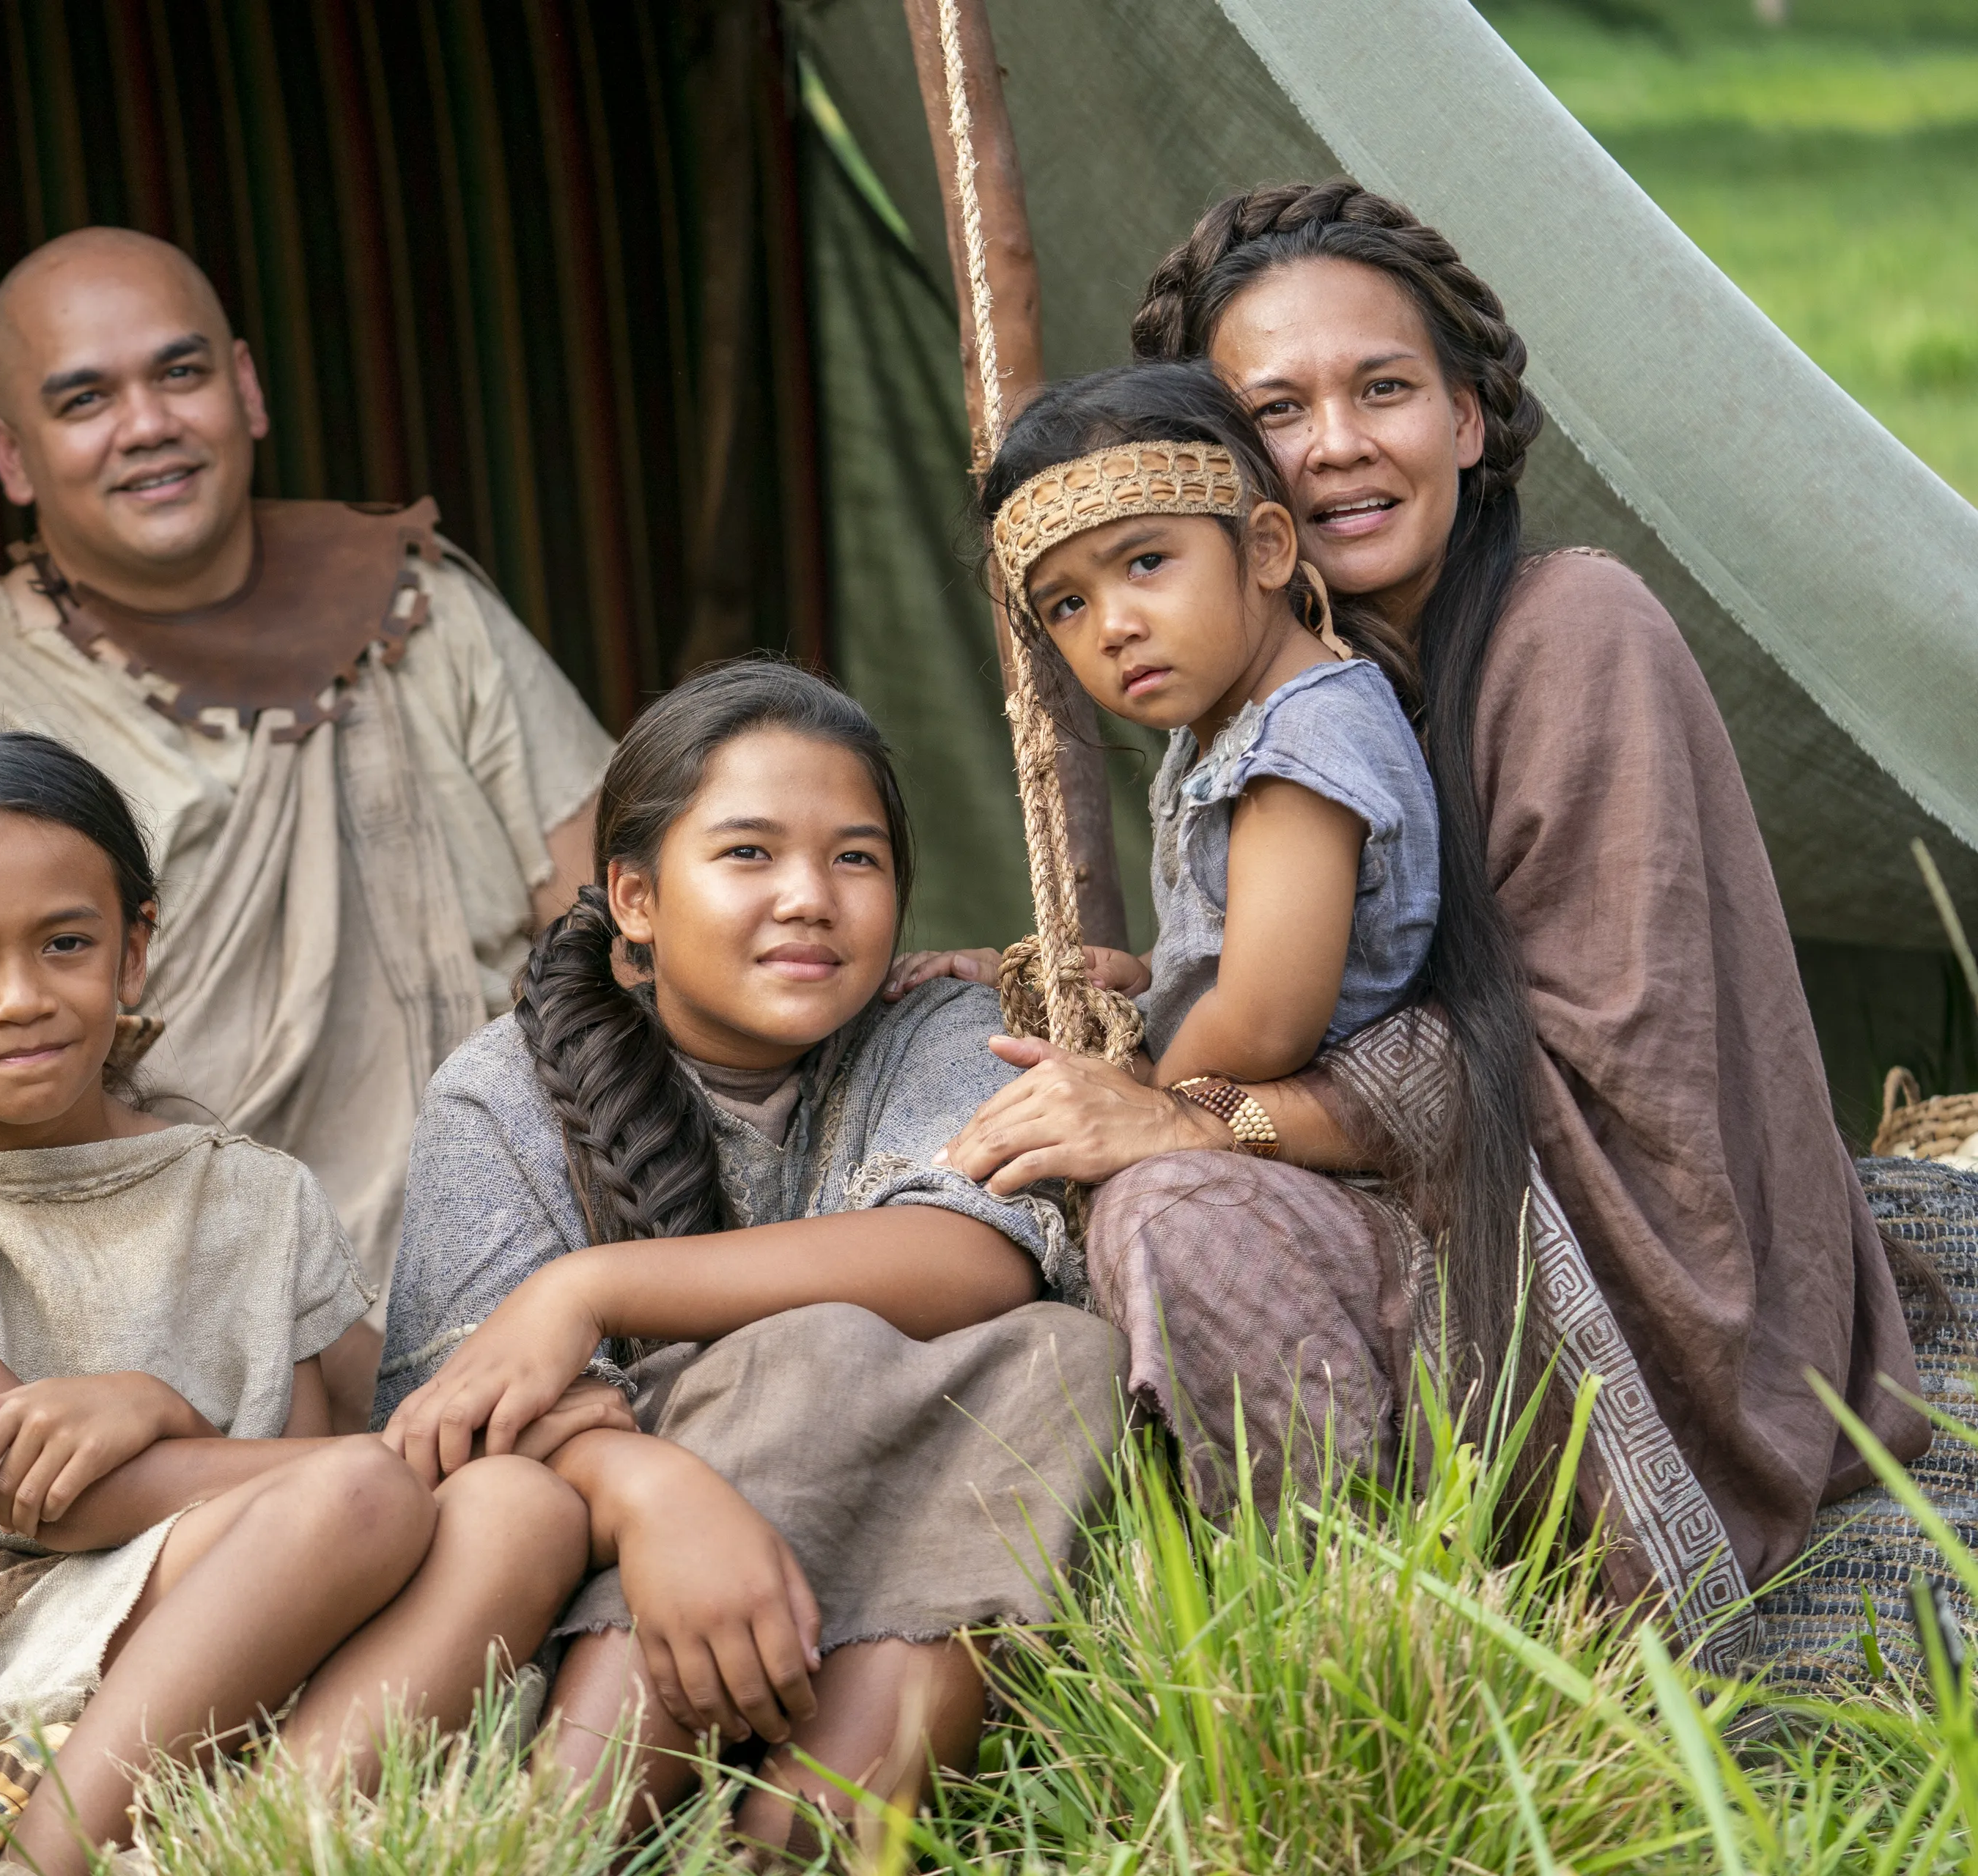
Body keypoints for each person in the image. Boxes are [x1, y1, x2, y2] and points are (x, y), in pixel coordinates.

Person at [923, 182, 1925, 1673]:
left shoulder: (1574, 630)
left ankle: (1355, 1666)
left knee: (1175, 1212)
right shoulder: (1267, 688)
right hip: (1400, 1198)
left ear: (1465, 419)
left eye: (1383, 389)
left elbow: (1594, 1070)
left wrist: (1195, 1113)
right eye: (1279, 409)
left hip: (1591, 1273)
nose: (1336, 442)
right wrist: (1124, 1002)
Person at [0, 730, 609, 1870]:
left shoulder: (252, 1197)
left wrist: (532, 1424)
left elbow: (363, 1437)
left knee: (525, 1510)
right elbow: (34, 1496)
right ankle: (42, 1860)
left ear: (133, 953)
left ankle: (249, 1844)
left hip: (264, 1607)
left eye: (66, 944)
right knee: (370, 1490)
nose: (19, 999)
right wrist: (174, 1409)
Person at [0, 229, 615, 1424]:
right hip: (190, 1335)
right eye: (85, 400)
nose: (147, 424)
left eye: (182, 373)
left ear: (247, 388)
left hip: (520, 1280)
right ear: (9, 454)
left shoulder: (423, 608)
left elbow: (623, 923)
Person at [376, 661, 1124, 1852]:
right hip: (583, 1633)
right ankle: (555, 1836)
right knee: (810, 1348)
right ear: (635, 897)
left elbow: (973, 1258)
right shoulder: (501, 1094)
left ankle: (801, 1841)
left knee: (1062, 1356)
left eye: (856, 859)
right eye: (748, 854)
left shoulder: (940, 1035)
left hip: (867, 1619)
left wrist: (589, 1288)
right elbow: (459, 1428)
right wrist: (666, 1501)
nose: (810, 898)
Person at [977, 358, 1439, 1095]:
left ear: (1266, 549)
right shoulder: (1226, 731)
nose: (1114, 627)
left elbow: (1263, 1027)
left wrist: (1140, 1098)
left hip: (1306, 1126)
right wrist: (1150, 976)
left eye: (1146, 561)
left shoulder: (1302, 743)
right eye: (1068, 605)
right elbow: (1246, 949)